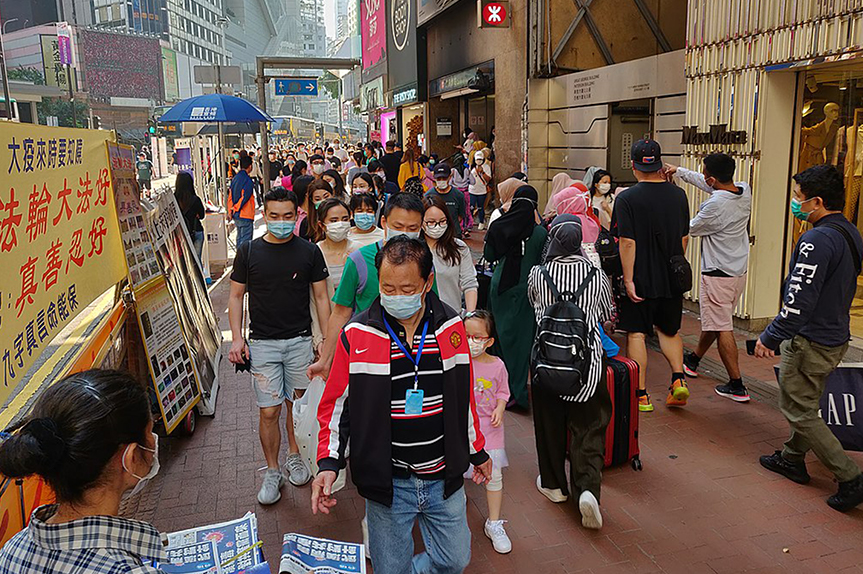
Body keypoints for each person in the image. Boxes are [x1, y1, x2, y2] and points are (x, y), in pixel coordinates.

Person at [312, 237, 491, 574]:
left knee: (455, 560)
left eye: (407, 288)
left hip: (443, 477)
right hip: (389, 484)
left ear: (427, 283)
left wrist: (477, 451)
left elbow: (462, 396)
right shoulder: (359, 333)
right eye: (387, 288)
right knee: (389, 568)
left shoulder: (451, 327)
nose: (396, 297)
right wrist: (328, 463)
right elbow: (335, 405)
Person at [753, 164, 863, 513]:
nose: (795, 203)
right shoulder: (849, 232)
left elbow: (799, 299)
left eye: (798, 198)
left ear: (817, 201)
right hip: (835, 335)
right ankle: (792, 458)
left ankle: (850, 477)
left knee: (798, 409)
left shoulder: (816, 240)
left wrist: (770, 336)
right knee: (808, 401)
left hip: (810, 340)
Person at [0, 369, 166, 573]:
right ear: (130, 458)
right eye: (150, 432)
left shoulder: (11, 552)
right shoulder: (125, 569)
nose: (153, 441)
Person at [228, 186, 331, 505]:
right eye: (274, 216)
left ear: (296, 213)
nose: (282, 222)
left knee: (297, 406)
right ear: (264, 214)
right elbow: (234, 295)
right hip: (263, 345)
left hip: (300, 341)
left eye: (288, 216)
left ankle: (295, 455)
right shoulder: (248, 252)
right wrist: (236, 337)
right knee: (269, 410)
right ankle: (272, 471)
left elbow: (321, 297)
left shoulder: (310, 251)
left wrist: (326, 343)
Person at [527, 216, 614, 529]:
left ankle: (553, 485)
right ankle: (587, 489)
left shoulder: (539, 274)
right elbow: (605, 313)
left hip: (546, 363)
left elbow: (534, 306)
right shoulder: (595, 274)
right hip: (587, 367)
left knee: (549, 426)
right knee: (589, 427)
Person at [308, 193, 428, 382]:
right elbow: (340, 313)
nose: (405, 233)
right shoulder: (359, 259)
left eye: (412, 228)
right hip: (368, 355)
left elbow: (432, 308)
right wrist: (325, 361)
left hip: (414, 357)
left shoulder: (425, 262)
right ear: (384, 222)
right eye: (398, 226)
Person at [665, 154, 753, 402]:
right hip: (737, 271)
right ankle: (693, 360)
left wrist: (671, 198)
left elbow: (688, 228)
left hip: (718, 273)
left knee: (722, 326)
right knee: (717, 319)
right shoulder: (744, 189)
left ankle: (737, 384)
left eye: (705, 175)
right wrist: (680, 171)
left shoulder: (714, 206)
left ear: (712, 178)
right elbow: (711, 185)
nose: (704, 178)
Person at [612, 139, 690, 412]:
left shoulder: (626, 198)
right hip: (671, 276)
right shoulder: (678, 195)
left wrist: (629, 278)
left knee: (637, 334)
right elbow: (684, 238)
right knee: (670, 330)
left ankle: (641, 394)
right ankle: (678, 379)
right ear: (659, 164)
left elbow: (627, 242)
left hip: (642, 276)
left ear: (633, 165)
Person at [484, 186, 548, 409]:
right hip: (527, 291)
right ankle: (517, 393)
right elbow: (544, 261)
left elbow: (489, 255)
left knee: (500, 338)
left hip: (500, 287)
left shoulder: (499, 226)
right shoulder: (540, 233)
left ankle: (500, 388)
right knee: (521, 343)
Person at [463, 310, 512, 553]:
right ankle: (455, 506)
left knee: (494, 476)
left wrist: (501, 408)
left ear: (489, 341)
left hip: (490, 430)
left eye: (478, 337)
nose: (472, 341)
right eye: (466, 335)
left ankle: (494, 522)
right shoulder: (456, 363)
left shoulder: (497, 365)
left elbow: (503, 391)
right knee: (455, 471)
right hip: (462, 428)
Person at [311, 198, 356, 348]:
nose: (340, 224)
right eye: (334, 220)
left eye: (344, 219)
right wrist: (323, 337)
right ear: (322, 225)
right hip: (325, 327)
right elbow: (316, 298)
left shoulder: (359, 251)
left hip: (355, 325)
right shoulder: (314, 253)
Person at [422, 195, 478, 312]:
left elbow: (469, 283)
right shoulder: (414, 249)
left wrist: (470, 314)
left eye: (442, 221)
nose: (437, 226)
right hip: (422, 319)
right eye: (431, 222)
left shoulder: (459, 247)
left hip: (452, 316)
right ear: (421, 223)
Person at [425, 163, 467, 238]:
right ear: (434, 178)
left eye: (444, 178)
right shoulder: (428, 195)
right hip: (435, 234)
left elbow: (460, 216)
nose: (441, 181)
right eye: (439, 179)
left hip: (453, 234)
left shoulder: (458, 195)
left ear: (450, 177)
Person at [174, 172, 206, 264]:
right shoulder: (195, 199)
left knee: (184, 262)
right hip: (196, 230)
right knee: (196, 260)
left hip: (181, 233)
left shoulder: (173, 199)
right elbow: (202, 216)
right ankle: (199, 277)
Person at [228, 155, 256, 250]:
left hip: (237, 215)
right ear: (250, 166)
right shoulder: (247, 180)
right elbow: (244, 197)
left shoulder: (235, 178)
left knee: (239, 239)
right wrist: (236, 208)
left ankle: (239, 261)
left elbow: (230, 197)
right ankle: (243, 262)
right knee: (245, 243)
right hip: (245, 214)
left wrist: (231, 211)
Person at [469, 150, 492, 229]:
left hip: (482, 191)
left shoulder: (486, 167)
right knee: (471, 206)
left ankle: (481, 222)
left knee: (480, 207)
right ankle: (470, 222)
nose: (478, 161)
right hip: (472, 190)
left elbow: (488, 179)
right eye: (477, 159)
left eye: (480, 159)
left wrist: (482, 172)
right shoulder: (471, 167)